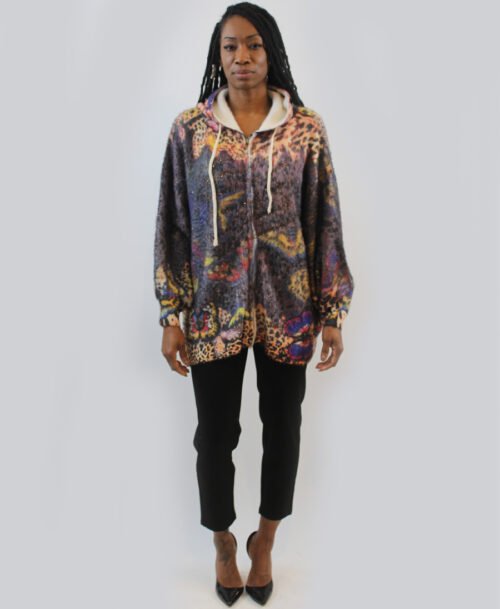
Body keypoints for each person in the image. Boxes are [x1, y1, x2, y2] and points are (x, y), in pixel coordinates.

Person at [153, 2, 355, 605]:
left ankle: (264, 541)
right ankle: (222, 543)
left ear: (272, 51)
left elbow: (324, 220)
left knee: (284, 429)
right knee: (214, 436)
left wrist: (332, 311)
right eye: (230, 47)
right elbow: (173, 225)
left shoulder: (305, 130)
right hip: (213, 314)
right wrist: (171, 313)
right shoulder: (190, 131)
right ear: (218, 57)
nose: (242, 57)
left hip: (289, 311)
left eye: (253, 45)